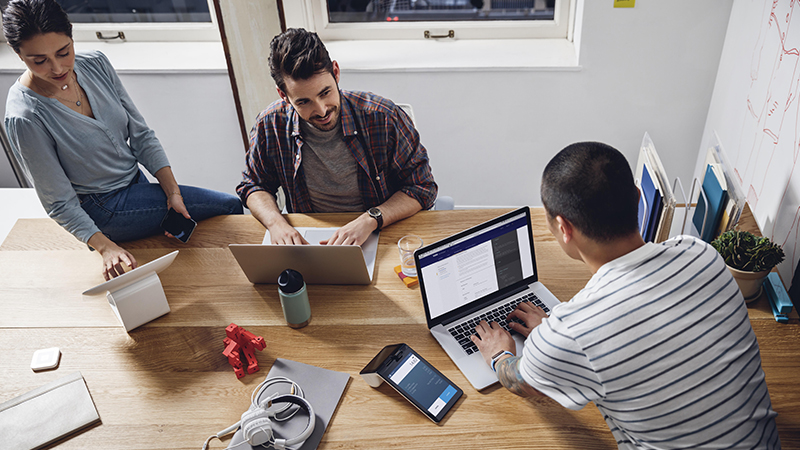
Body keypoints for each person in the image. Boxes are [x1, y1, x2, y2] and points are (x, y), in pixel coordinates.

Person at [471, 142, 780, 448]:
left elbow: (522, 382)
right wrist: (557, 338)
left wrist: (501, 354)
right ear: (638, 197)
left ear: (564, 228)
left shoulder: (571, 332)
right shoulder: (702, 255)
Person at [2, 0, 243, 280]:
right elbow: (59, 202)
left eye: (63, 52)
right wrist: (105, 248)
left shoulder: (95, 65)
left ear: (71, 36)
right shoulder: (24, 116)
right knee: (229, 206)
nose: (57, 68)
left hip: (135, 181)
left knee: (191, 241)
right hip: (101, 206)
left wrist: (172, 192)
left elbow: (141, 135)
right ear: (17, 53)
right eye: (39, 61)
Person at [236, 28, 437, 246]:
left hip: (380, 231)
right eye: (304, 102)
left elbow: (422, 188)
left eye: (325, 93)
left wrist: (370, 219)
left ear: (336, 72)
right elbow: (253, 185)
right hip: (308, 237)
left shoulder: (383, 117)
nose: (321, 111)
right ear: (283, 95)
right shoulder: (270, 124)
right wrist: (276, 224)